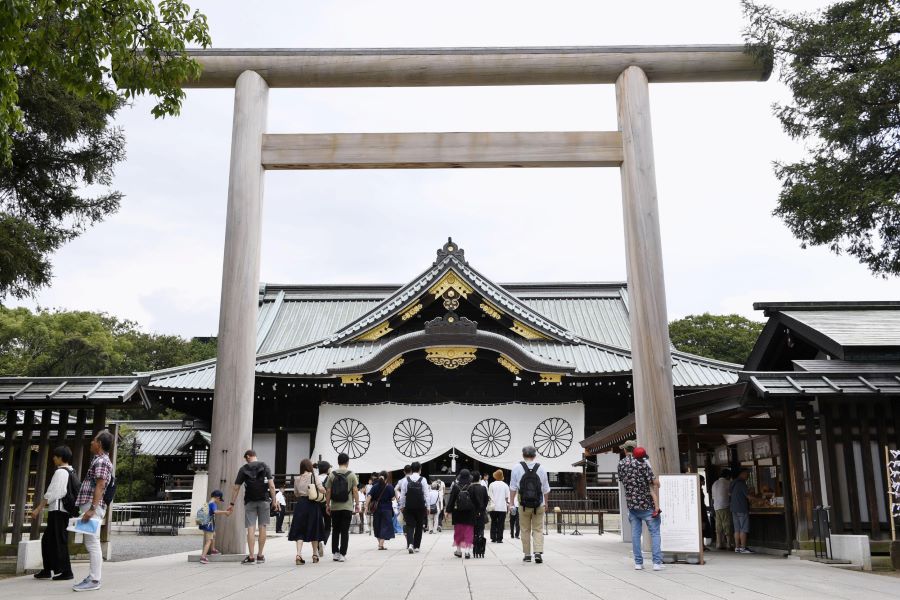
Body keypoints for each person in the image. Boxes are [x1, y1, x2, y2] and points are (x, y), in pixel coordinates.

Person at [72, 430, 115, 592]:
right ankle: (92, 577)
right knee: (90, 542)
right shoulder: (99, 460)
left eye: (94, 440)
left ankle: (95, 579)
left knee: (92, 542)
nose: (91, 442)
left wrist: (92, 509)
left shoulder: (102, 461)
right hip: (91, 505)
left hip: (93, 506)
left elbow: (100, 485)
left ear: (100, 444)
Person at [31, 445, 77, 581]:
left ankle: (66, 571)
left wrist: (38, 508)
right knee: (47, 540)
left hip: (58, 510)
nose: (53, 458)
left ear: (61, 458)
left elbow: (53, 493)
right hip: (62, 511)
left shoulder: (61, 472)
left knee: (59, 541)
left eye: (55, 456)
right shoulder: (71, 471)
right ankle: (47, 569)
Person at [618, 440, 663, 571]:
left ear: (626, 450)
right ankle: (656, 563)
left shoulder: (621, 464)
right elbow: (654, 481)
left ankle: (638, 563)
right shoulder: (643, 463)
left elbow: (622, 480)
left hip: (632, 505)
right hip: (647, 504)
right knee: (654, 533)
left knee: (635, 534)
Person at [228, 449, 279, 565]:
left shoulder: (243, 469)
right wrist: (274, 501)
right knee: (263, 528)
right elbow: (271, 485)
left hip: (250, 501)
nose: (246, 460)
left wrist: (232, 503)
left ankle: (251, 556)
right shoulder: (265, 466)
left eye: (246, 458)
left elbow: (236, 487)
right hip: (264, 501)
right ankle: (260, 555)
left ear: (248, 456)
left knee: (250, 528)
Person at [509, 445, 550, 564]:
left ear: (523, 455)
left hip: (523, 504)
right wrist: (546, 503)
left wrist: (511, 503)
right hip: (539, 504)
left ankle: (527, 554)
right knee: (538, 529)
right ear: (535, 455)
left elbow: (512, 487)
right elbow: (546, 489)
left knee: (525, 529)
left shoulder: (517, 467)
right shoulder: (541, 468)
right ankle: (538, 552)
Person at [288, 458, 327, 565]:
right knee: (314, 528)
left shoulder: (297, 478)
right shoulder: (314, 476)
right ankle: (315, 554)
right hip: (313, 504)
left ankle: (299, 554)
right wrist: (325, 492)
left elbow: (296, 493)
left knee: (300, 529)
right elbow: (321, 488)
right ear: (309, 466)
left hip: (301, 504)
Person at [324, 452, 359, 562]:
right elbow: (355, 491)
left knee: (335, 530)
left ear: (338, 462)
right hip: (347, 507)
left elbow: (328, 491)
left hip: (335, 507)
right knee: (345, 531)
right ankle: (343, 554)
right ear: (347, 462)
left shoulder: (332, 474)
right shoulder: (352, 474)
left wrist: (327, 504)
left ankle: (335, 553)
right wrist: (357, 504)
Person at [397, 461, 429, 553]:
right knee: (419, 526)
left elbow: (402, 495)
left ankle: (410, 544)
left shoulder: (406, 480)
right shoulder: (423, 479)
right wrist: (428, 507)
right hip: (420, 506)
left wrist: (402, 506)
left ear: (411, 469)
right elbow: (426, 494)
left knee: (410, 526)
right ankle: (417, 546)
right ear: (419, 469)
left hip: (409, 506)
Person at [446, 469, 476, 559]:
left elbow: (451, 500)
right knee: (468, 531)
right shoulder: (472, 487)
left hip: (457, 512)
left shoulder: (455, 487)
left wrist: (447, 511)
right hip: (470, 513)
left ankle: (458, 551)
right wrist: (479, 510)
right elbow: (476, 500)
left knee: (458, 532)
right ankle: (467, 551)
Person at [199, 490, 232, 564]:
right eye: (220, 499)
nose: (219, 501)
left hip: (205, 524)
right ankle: (203, 557)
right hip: (209, 525)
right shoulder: (213, 504)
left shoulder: (207, 503)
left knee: (214, 534)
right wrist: (225, 512)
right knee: (209, 541)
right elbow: (215, 512)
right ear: (217, 497)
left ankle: (213, 549)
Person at [366, 471, 395, 549]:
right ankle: (381, 545)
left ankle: (380, 544)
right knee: (385, 526)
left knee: (377, 526)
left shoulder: (375, 486)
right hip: (387, 509)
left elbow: (369, 496)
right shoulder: (389, 487)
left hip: (376, 509)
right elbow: (393, 498)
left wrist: (366, 507)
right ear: (386, 478)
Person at [731, 468, 754, 554]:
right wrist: (760, 499)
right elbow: (748, 496)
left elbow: (729, 494)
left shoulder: (733, 483)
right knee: (743, 529)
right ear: (742, 473)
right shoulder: (741, 483)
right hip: (741, 508)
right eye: (747, 474)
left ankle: (737, 547)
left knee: (737, 529)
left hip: (734, 509)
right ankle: (743, 548)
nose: (748, 476)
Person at [711, 468, 734, 550]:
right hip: (725, 506)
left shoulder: (715, 483)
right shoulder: (727, 483)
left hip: (716, 507)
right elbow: (731, 495)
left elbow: (713, 498)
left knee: (718, 525)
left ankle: (719, 543)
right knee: (726, 524)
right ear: (728, 476)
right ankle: (728, 544)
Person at [487, 469, 510, 543]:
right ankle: (499, 538)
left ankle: (493, 537)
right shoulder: (505, 485)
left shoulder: (491, 484)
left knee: (493, 522)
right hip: (502, 507)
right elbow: (507, 497)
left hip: (493, 507)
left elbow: (489, 495)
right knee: (501, 523)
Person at [470, 470, 489, 543]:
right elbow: (486, 500)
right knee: (481, 528)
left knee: (473, 528)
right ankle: (480, 542)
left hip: (472, 512)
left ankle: (473, 541)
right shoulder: (483, 488)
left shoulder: (469, 488)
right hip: (481, 511)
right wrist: (483, 508)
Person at [317, 460, 331, 557]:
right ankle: (323, 542)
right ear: (327, 469)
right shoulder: (330, 478)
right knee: (328, 525)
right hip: (326, 504)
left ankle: (318, 544)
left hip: (316, 504)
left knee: (317, 526)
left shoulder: (315, 478)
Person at [699, 475, 713, 550]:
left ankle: (702, 545)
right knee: (702, 528)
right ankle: (701, 545)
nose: (704, 482)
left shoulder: (700, 489)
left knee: (703, 528)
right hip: (701, 511)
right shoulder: (698, 490)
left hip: (703, 510)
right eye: (702, 480)